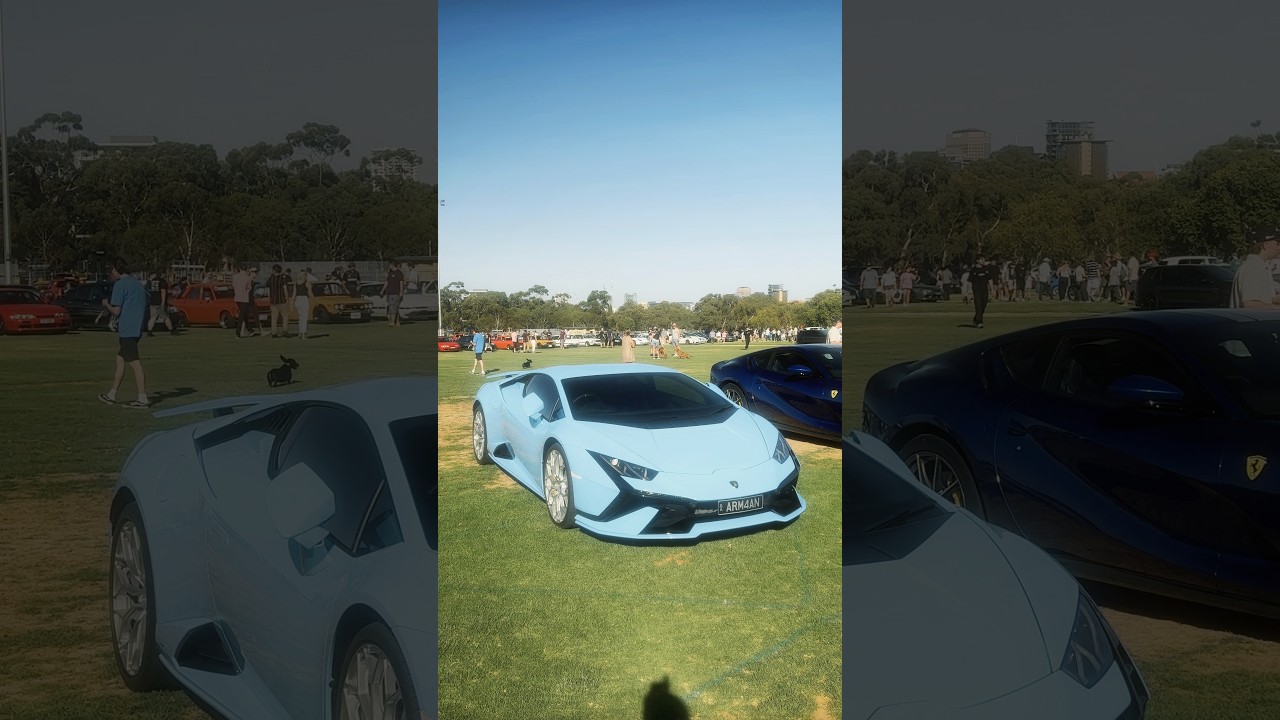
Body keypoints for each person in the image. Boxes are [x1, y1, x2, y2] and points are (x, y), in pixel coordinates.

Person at [98, 258, 151, 408]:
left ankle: (142, 398)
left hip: (128, 329)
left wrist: (106, 304)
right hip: (137, 328)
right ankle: (112, 394)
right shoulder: (138, 285)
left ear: (115, 270)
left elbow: (116, 311)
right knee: (120, 359)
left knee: (134, 363)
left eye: (111, 271)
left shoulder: (120, 285)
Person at [1230, 227, 1280, 308]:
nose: (1279, 247)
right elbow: (1250, 304)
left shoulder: (1254, 265)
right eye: (1277, 243)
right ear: (1265, 245)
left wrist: (1275, 300)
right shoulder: (1254, 268)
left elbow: (1255, 300)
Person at [145, 270, 175, 336]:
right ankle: (172, 330)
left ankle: (149, 331)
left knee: (152, 317)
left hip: (153, 302)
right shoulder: (162, 281)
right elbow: (163, 291)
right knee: (166, 317)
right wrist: (163, 301)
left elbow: (149, 289)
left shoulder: (152, 281)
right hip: (159, 302)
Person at [969, 255, 996, 328]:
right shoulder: (973, 270)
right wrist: (968, 292)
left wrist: (992, 290)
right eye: (982, 259)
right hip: (976, 290)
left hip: (984, 290)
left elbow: (990, 280)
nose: (983, 261)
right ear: (977, 260)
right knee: (978, 306)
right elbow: (970, 282)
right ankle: (979, 321)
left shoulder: (986, 269)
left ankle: (976, 318)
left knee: (983, 306)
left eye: (984, 259)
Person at [231, 264, 255, 338]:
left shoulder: (235, 277)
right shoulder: (247, 278)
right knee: (242, 315)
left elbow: (233, 286)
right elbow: (249, 288)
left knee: (244, 314)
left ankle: (249, 329)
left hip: (237, 298)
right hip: (244, 298)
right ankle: (238, 332)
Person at [266, 264, 290, 337]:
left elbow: (268, 290)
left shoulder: (270, 279)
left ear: (274, 271)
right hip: (281, 300)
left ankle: (274, 332)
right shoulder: (283, 278)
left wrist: (269, 298)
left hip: (273, 301)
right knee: (285, 316)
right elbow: (285, 288)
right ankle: (285, 331)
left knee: (274, 317)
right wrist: (287, 297)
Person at [381, 260, 405, 327]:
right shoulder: (390, 273)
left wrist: (401, 291)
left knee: (393, 307)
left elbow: (401, 282)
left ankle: (392, 322)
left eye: (390, 265)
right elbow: (387, 282)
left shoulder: (399, 273)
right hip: (389, 292)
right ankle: (397, 321)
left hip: (396, 293)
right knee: (393, 307)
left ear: (392, 265)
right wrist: (382, 290)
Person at [294, 267, 313, 339]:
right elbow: (310, 292)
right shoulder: (307, 282)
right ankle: (303, 334)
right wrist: (314, 300)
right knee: (304, 317)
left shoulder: (296, 283)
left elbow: (294, 294)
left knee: (300, 317)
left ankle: (300, 332)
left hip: (298, 299)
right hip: (304, 299)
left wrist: (292, 302)